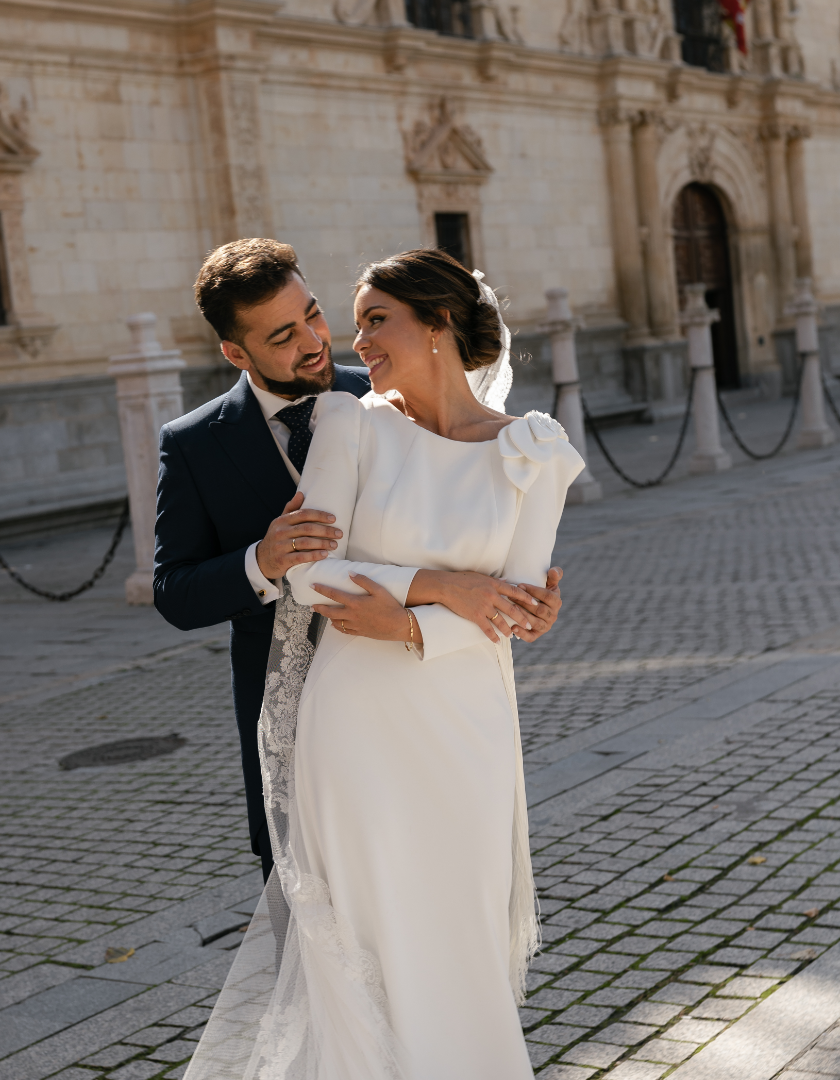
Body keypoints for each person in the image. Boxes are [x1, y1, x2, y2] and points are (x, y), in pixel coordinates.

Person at [182, 249, 589, 1078]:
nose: (353, 341)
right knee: (373, 936)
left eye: (375, 320)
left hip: (465, 721)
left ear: (437, 324)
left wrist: (410, 623)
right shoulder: (348, 422)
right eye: (357, 319)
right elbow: (310, 570)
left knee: (459, 933)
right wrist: (444, 588)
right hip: (356, 722)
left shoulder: (537, 451)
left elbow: (512, 606)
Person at [153, 239, 565, 879]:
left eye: (314, 315)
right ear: (237, 353)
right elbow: (173, 591)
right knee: (314, 929)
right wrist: (260, 560)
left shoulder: (384, 392)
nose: (317, 342)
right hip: (297, 717)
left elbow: (488, 535)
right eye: (284, 335)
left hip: (432, 694)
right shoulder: (193, 445)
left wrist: (512, 601)